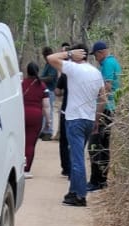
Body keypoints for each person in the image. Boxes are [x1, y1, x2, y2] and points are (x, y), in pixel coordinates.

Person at [47, 43, 105, 207]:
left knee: (77, 158)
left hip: (75, 119)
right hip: (88, 120)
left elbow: (50, 58)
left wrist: (69, 54)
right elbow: (103, 98)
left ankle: (80, 196)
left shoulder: (73, 69)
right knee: (76, 155)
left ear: (79, 55)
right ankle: (73, 192)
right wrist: (96, 119)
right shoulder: (96, 73)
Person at [88, 40, 122, 191]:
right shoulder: (113, 62)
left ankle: (97, 181)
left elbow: (107, 87)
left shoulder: (108, 63)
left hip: (105, 109)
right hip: (110, 108)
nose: (96, 59)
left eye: (95, 55)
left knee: (96, 146)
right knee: (103, 146)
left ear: (100, 52)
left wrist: (97, 115)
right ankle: (101, 180)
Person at [21, 61, 51, 178]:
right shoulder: (43, 86)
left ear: (27, 71)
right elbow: (46, 106)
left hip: (21, 115)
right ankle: (26, 169)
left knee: (20, 142)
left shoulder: (21, 84)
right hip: (35, 117)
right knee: (30, 144)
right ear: (38, 71)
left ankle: (18, 167)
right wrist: (48, 121)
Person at [55, 42, 70, 176]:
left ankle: (66, 168)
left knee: (64, 141)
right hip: (81, 113)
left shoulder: (65, 74)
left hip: (66, 111)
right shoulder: (87, 72)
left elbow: (57, 92)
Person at [38, 46, 58, 139]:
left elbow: (50, 78)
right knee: (44, 111)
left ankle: (49, 131)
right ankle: (43, 130)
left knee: (48, 111)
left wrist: (39, 79)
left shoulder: (52, 64)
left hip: (50, 90)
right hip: (45, 90)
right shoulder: (47, 64)